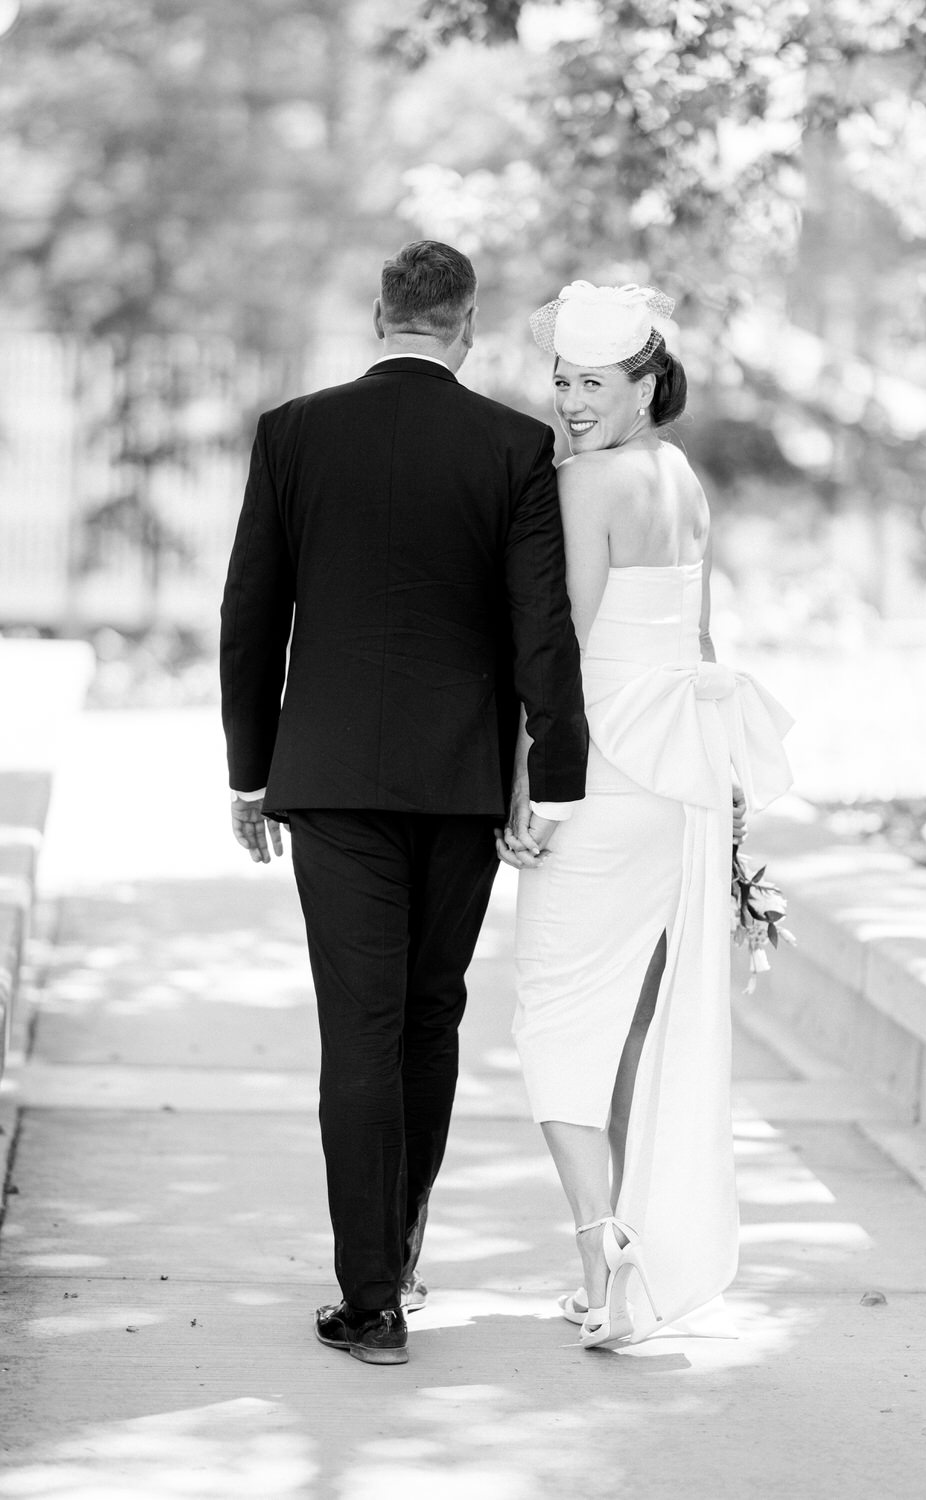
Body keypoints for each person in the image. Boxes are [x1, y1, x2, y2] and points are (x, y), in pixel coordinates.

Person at [220, 241, 588, 1365]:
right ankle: (403, 1251)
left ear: (380, 315)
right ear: (465, 326)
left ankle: (370, 1297)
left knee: (361, 1031)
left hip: (327, 780)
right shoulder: (517, 445)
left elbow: (251, 615)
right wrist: (556, 777)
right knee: (430, 1017)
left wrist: (250, 769)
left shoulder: (293, 433)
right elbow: (542, 626)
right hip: (457, 781)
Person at [501, 280, 792, 1349]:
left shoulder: (585, 484)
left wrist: (527, 780)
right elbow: (699, 642)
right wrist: (726, 817)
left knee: (553, 1015)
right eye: (562, 380)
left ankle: (598, 1249)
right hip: (682, 773)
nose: (572, 401)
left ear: (643, 383)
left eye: (594, 383)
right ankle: (630, 1243)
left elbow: (560, 642)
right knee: (627, 1026)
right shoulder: (682, 477)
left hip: (609, 775)